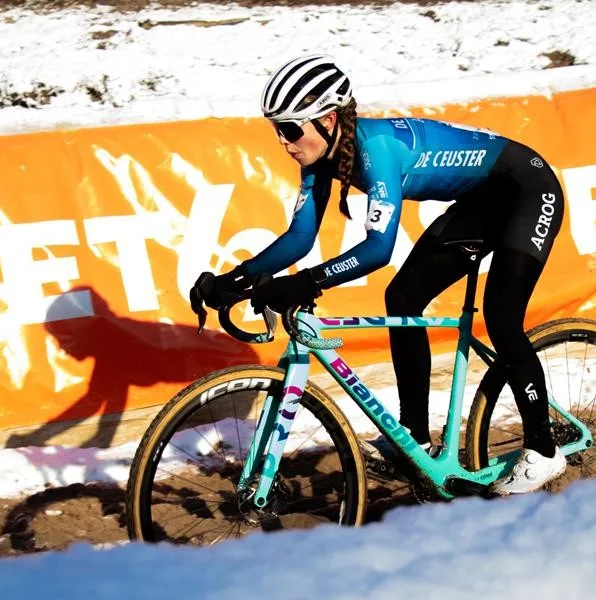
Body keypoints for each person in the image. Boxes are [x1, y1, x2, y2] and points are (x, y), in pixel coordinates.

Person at [192, 54, 567, 495]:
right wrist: (240, 277)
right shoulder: (320, 157)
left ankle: (543, 449)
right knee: (403, 299)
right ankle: (414, 438)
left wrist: (307, 281)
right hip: (482, 204)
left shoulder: (377, 151)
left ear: (328, 120)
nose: (283, 141)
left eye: (290, 129)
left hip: (527, 189)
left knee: (503, 318)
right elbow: (300, 235)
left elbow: (377, 250)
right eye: (276, 129)